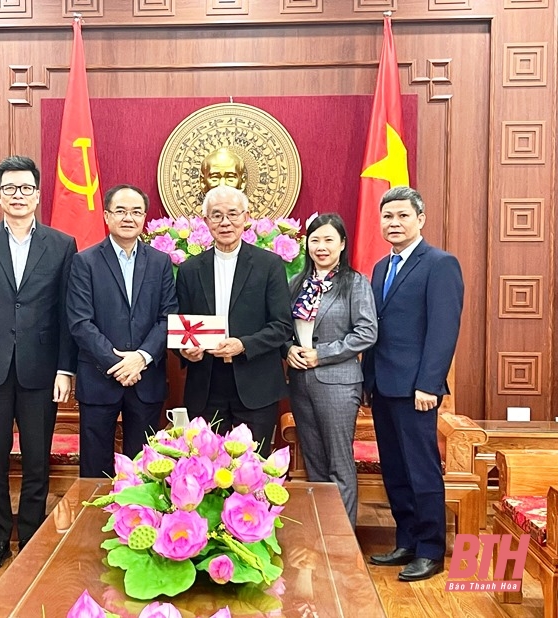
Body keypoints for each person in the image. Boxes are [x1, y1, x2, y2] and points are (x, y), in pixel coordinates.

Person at [0, 155, 78, 570]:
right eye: (10, 188)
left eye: (26, 188)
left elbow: (66, 312)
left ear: (38, 194)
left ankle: (29, 537)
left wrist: (66, 369)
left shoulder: (62, 244)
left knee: (36, 459)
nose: (18, 195)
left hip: (41, 368)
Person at [363, 186, 464, 582]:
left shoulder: (440, 264)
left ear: (420, 219)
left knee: (422, 470)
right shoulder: (379, 267)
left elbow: (443, 330)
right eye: (388, 216)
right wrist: (369, 380)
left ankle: (431, 549)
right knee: (395, 469)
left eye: (403, 216)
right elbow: (377, 328)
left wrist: (429, 384)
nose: (395, 223)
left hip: (417, 390)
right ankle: (405, 540)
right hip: (384, 386)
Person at [66, 184, 178, 477]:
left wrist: (140, 358)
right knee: (94, 470)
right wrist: (118, 364)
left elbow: (168, 317)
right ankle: (91, 523)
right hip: (99, 379)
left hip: (146, 380)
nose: (129, 218)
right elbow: (80, 322)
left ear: (144, 218)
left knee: (145, 470)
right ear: (106, 215)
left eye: (136, 212)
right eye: (121, 211)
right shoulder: (84, 261)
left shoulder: (160, 262)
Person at [176, 185, 293, 457]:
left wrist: (243, 344)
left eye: (232, 214)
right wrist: (185, 350)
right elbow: (180, 325)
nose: (225, 222)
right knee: (206, 470)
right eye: (216, 215)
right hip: (206, 385)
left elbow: (282, 325)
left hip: (255, 383)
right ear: (205, 221)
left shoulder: (269, 265)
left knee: (254, 469)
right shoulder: (190, 270)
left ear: (246, 217)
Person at [283, 213, 377, 528]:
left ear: (342, 244)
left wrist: (320, 355)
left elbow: (366, 333)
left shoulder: (355, 282)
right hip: (300, 383)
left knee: (339, 463)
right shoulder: (296, 283)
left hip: (338, 383)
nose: (321, 247)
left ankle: (342, 538)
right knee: (315, 463)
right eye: (315, 240)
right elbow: (284, 328)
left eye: (328, 240)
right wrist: (289, 350)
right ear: (306, 244)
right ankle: (322, 531)